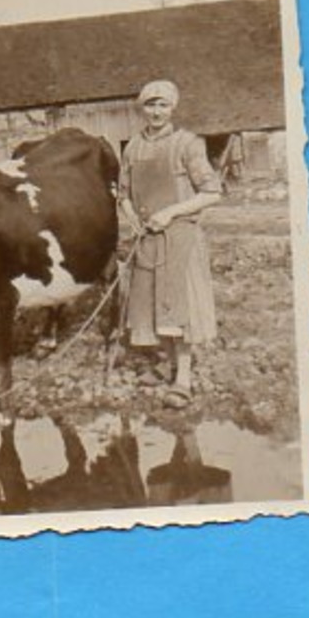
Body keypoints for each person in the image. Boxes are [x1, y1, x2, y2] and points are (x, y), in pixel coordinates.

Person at [120, 78, 223, 405]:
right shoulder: (132, 147)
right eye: (150, 105)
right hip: (147, 239)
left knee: (180, 307)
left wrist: (170, 213)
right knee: (151, 306)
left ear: (173, 107)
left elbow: (211, 193)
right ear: (142, 108)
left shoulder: (187, 144)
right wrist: (132, 218)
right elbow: (122, 194)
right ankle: (166, 364)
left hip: (181, 238)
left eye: (163, 105)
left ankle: (183, 378)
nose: (156, 111)